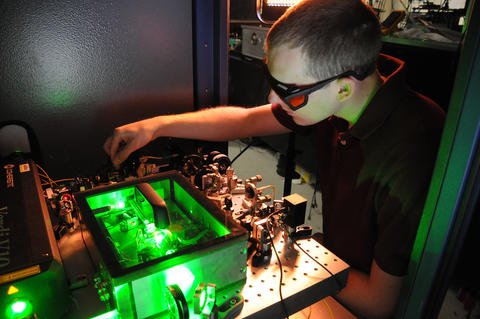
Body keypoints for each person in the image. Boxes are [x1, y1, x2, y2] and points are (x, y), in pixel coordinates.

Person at [104, 0, 445, 317]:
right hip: (342, 269)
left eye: (288, 92)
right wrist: (154, 128)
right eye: (271, 81)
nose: (272, 98)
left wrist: (297, 248)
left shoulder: (411, 149)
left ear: (342, 89)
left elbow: (378, 303)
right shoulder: (343, 91)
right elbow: (247, 119)